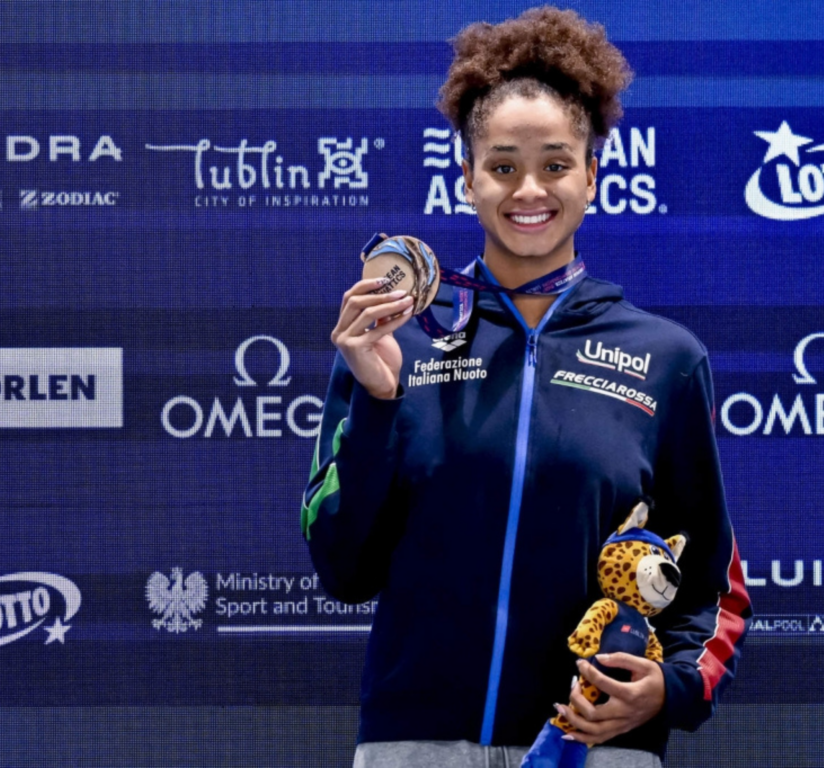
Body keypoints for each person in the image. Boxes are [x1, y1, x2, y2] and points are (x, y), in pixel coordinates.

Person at [301, 7, 751, 767]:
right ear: (467, 178)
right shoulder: (395, 341)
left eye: (556, 165)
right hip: (418, 746)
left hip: (592, 744)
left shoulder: (666, 358)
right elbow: (343, 568)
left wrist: (671, 688)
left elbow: (710, 580)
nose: (529, 190)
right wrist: (377, 402)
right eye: (503, 166)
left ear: (592, 177)